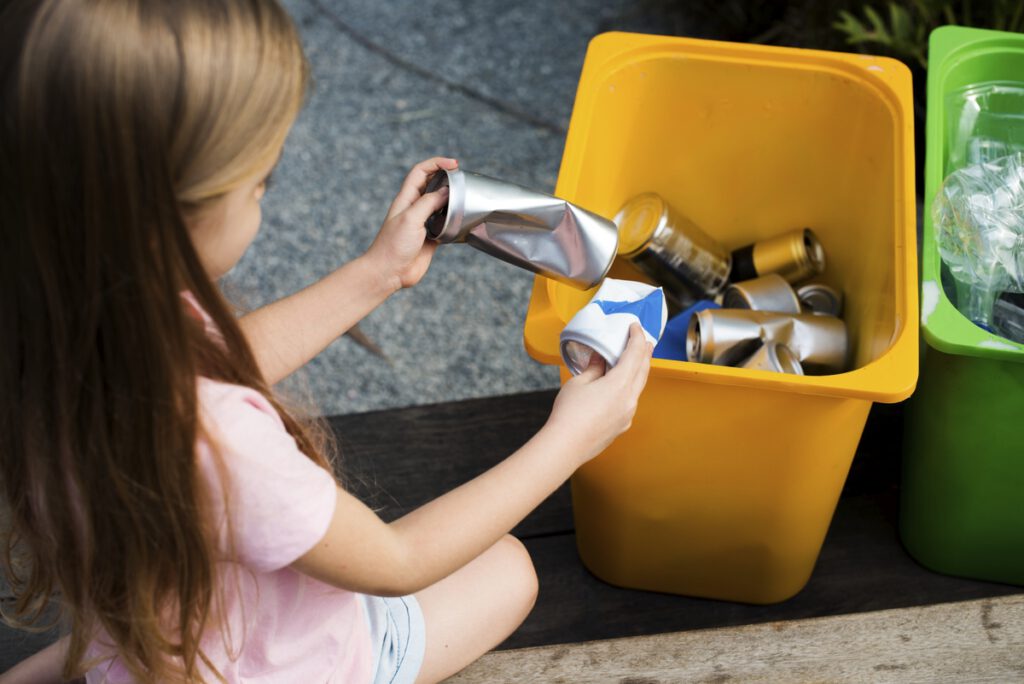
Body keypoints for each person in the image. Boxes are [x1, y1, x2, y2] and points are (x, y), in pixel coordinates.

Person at [0, 0, 652, 682]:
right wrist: (572, 438)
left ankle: (105, 660)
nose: (265, 198)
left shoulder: (66, 317)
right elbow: (398, 563)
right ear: (166, 218)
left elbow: (223, 363)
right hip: (287, 663)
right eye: (260, 184)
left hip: (155, 616)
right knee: (511, 571)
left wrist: (377, 274)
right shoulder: (220, 444)